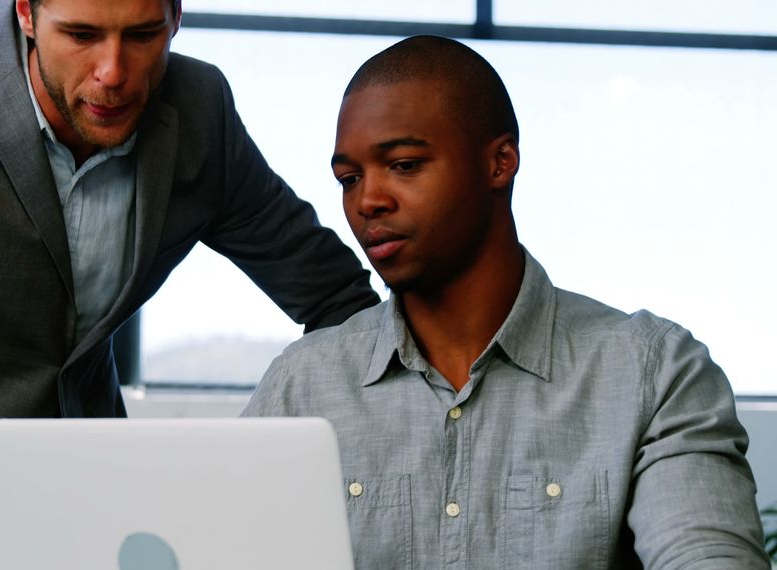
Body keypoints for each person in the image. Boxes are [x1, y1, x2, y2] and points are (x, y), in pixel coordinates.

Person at [0, 0, 379, 567]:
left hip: (97, 516)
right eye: (82, 35)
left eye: (142, 35)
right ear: (27, 13)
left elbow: (336, 300)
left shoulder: (199, 110)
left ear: (176, 17)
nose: (113, 72)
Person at [243, 35, 769, 569]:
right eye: (349, 179)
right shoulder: (301, 388)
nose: (366, 201)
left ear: (500, 162)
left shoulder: (652, 373)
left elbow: (708, 556)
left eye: (403, 164)